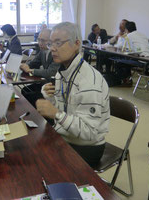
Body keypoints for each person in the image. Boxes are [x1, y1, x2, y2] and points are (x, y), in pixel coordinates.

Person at [35, 22, 110, 167]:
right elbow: (67, 110)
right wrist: (50, 97)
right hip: (65, 136)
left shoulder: (89, 81)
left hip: (87, 147)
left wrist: (56, 113)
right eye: (51, 44)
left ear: (76, 44)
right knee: (30, 146)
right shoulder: (63, 72)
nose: (53, 49)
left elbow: (89, 132)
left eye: (58, 43)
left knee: (39, 163)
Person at [20, 29, 60, 106]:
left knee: (30, 95)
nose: (40, 43)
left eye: (43, 40)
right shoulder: (42, 51)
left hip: (54, 87)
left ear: (51, 41)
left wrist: (30, 70)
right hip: (45, 83)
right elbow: (34, 63)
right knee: (25, 90)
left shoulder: (56, 53)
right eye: (39, 40)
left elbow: (50, 72)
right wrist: (26, 65)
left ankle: (40, 116)